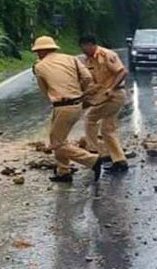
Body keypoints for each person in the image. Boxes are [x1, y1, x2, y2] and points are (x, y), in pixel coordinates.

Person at [31, 36, 109, 183]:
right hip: (77, 104)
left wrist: (54, 97)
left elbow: (44, 90)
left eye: (38, 51)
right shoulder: (70, 59)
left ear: (42, 50)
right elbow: (87, 77)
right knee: (58, 137)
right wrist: (80, 91)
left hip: (62, 106)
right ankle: (63, 171)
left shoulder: (40, 66)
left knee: (57, 144)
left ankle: (92, 160)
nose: (38, 54)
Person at [79, 34, 129, 173]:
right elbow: (94, 83)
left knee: (90, 119)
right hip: (104, 96)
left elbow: (122, 71)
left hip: (115, 95)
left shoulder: (107, 54)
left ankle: (94, 152)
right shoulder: (88, 61)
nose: (84, 51)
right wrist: (85, 97)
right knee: (108, 129)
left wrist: (111, 88)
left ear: (91, 45)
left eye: (85, 48)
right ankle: (119, 160)